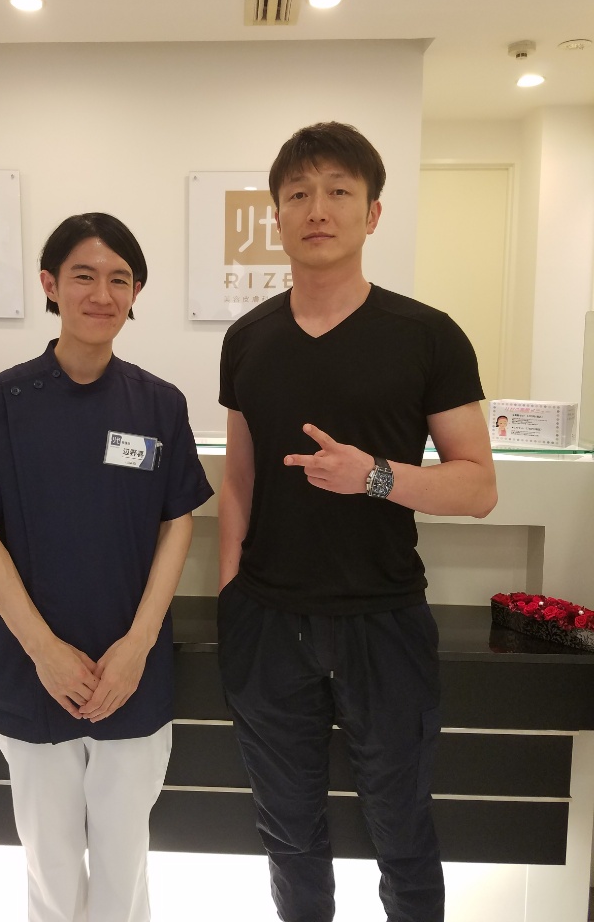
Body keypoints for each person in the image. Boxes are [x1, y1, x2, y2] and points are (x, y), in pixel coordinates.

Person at [217, 122, 497, 922]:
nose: (318, 208)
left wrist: (372, 475)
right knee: (287, 831)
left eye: (339, 190)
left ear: (372, 213)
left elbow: (478, 486)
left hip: (385, 618)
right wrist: (232, 592)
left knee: (402, 828)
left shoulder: (428, 335)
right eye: (299, 193)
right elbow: (239, 477)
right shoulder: (248, 339)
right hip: (269, 621)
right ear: (276, 216)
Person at [0, 212, 213, 922]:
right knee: (49, 866)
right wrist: (46, 652)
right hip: (33, 674)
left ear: (136, 292)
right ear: (51, 285)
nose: (102, 294)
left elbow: (178, 522)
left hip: (130, 673)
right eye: (84, 276)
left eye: (120, 279)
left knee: (124, 863)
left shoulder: (159, 404)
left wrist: (138, 644)